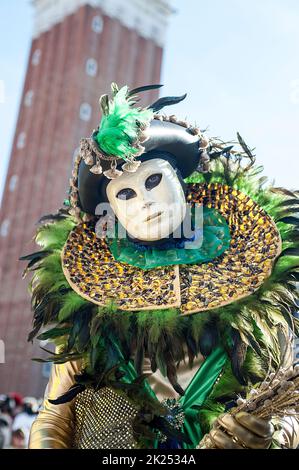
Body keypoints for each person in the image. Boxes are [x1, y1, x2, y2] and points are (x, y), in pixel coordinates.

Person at [21, 83, 299, 449]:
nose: (145, 203)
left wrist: (269, 435)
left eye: (153, 180)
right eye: (125, 194)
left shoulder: (258, 286)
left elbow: (289, 407)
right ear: (113, 212)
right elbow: (54, 419)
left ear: (181, 182)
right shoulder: (88, 309)